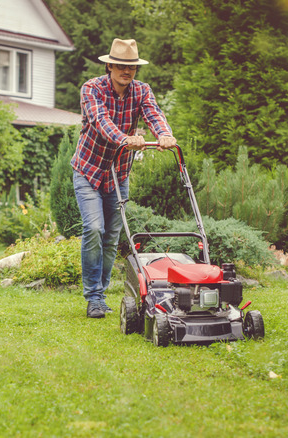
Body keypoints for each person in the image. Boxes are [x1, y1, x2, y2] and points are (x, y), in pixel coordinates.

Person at [71, 38, 177, 319]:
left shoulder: (142, 91)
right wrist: (125, 139)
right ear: (110, 66)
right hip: (89, 171)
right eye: (121, 65)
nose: (126, 71)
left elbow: (153, 113)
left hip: (118, 174)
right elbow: (100, 121)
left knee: (111, 238)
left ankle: (100, 295)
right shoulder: (92, 89)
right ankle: (93, 297)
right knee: (94, 229)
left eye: (131, 67)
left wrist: (163, 134)